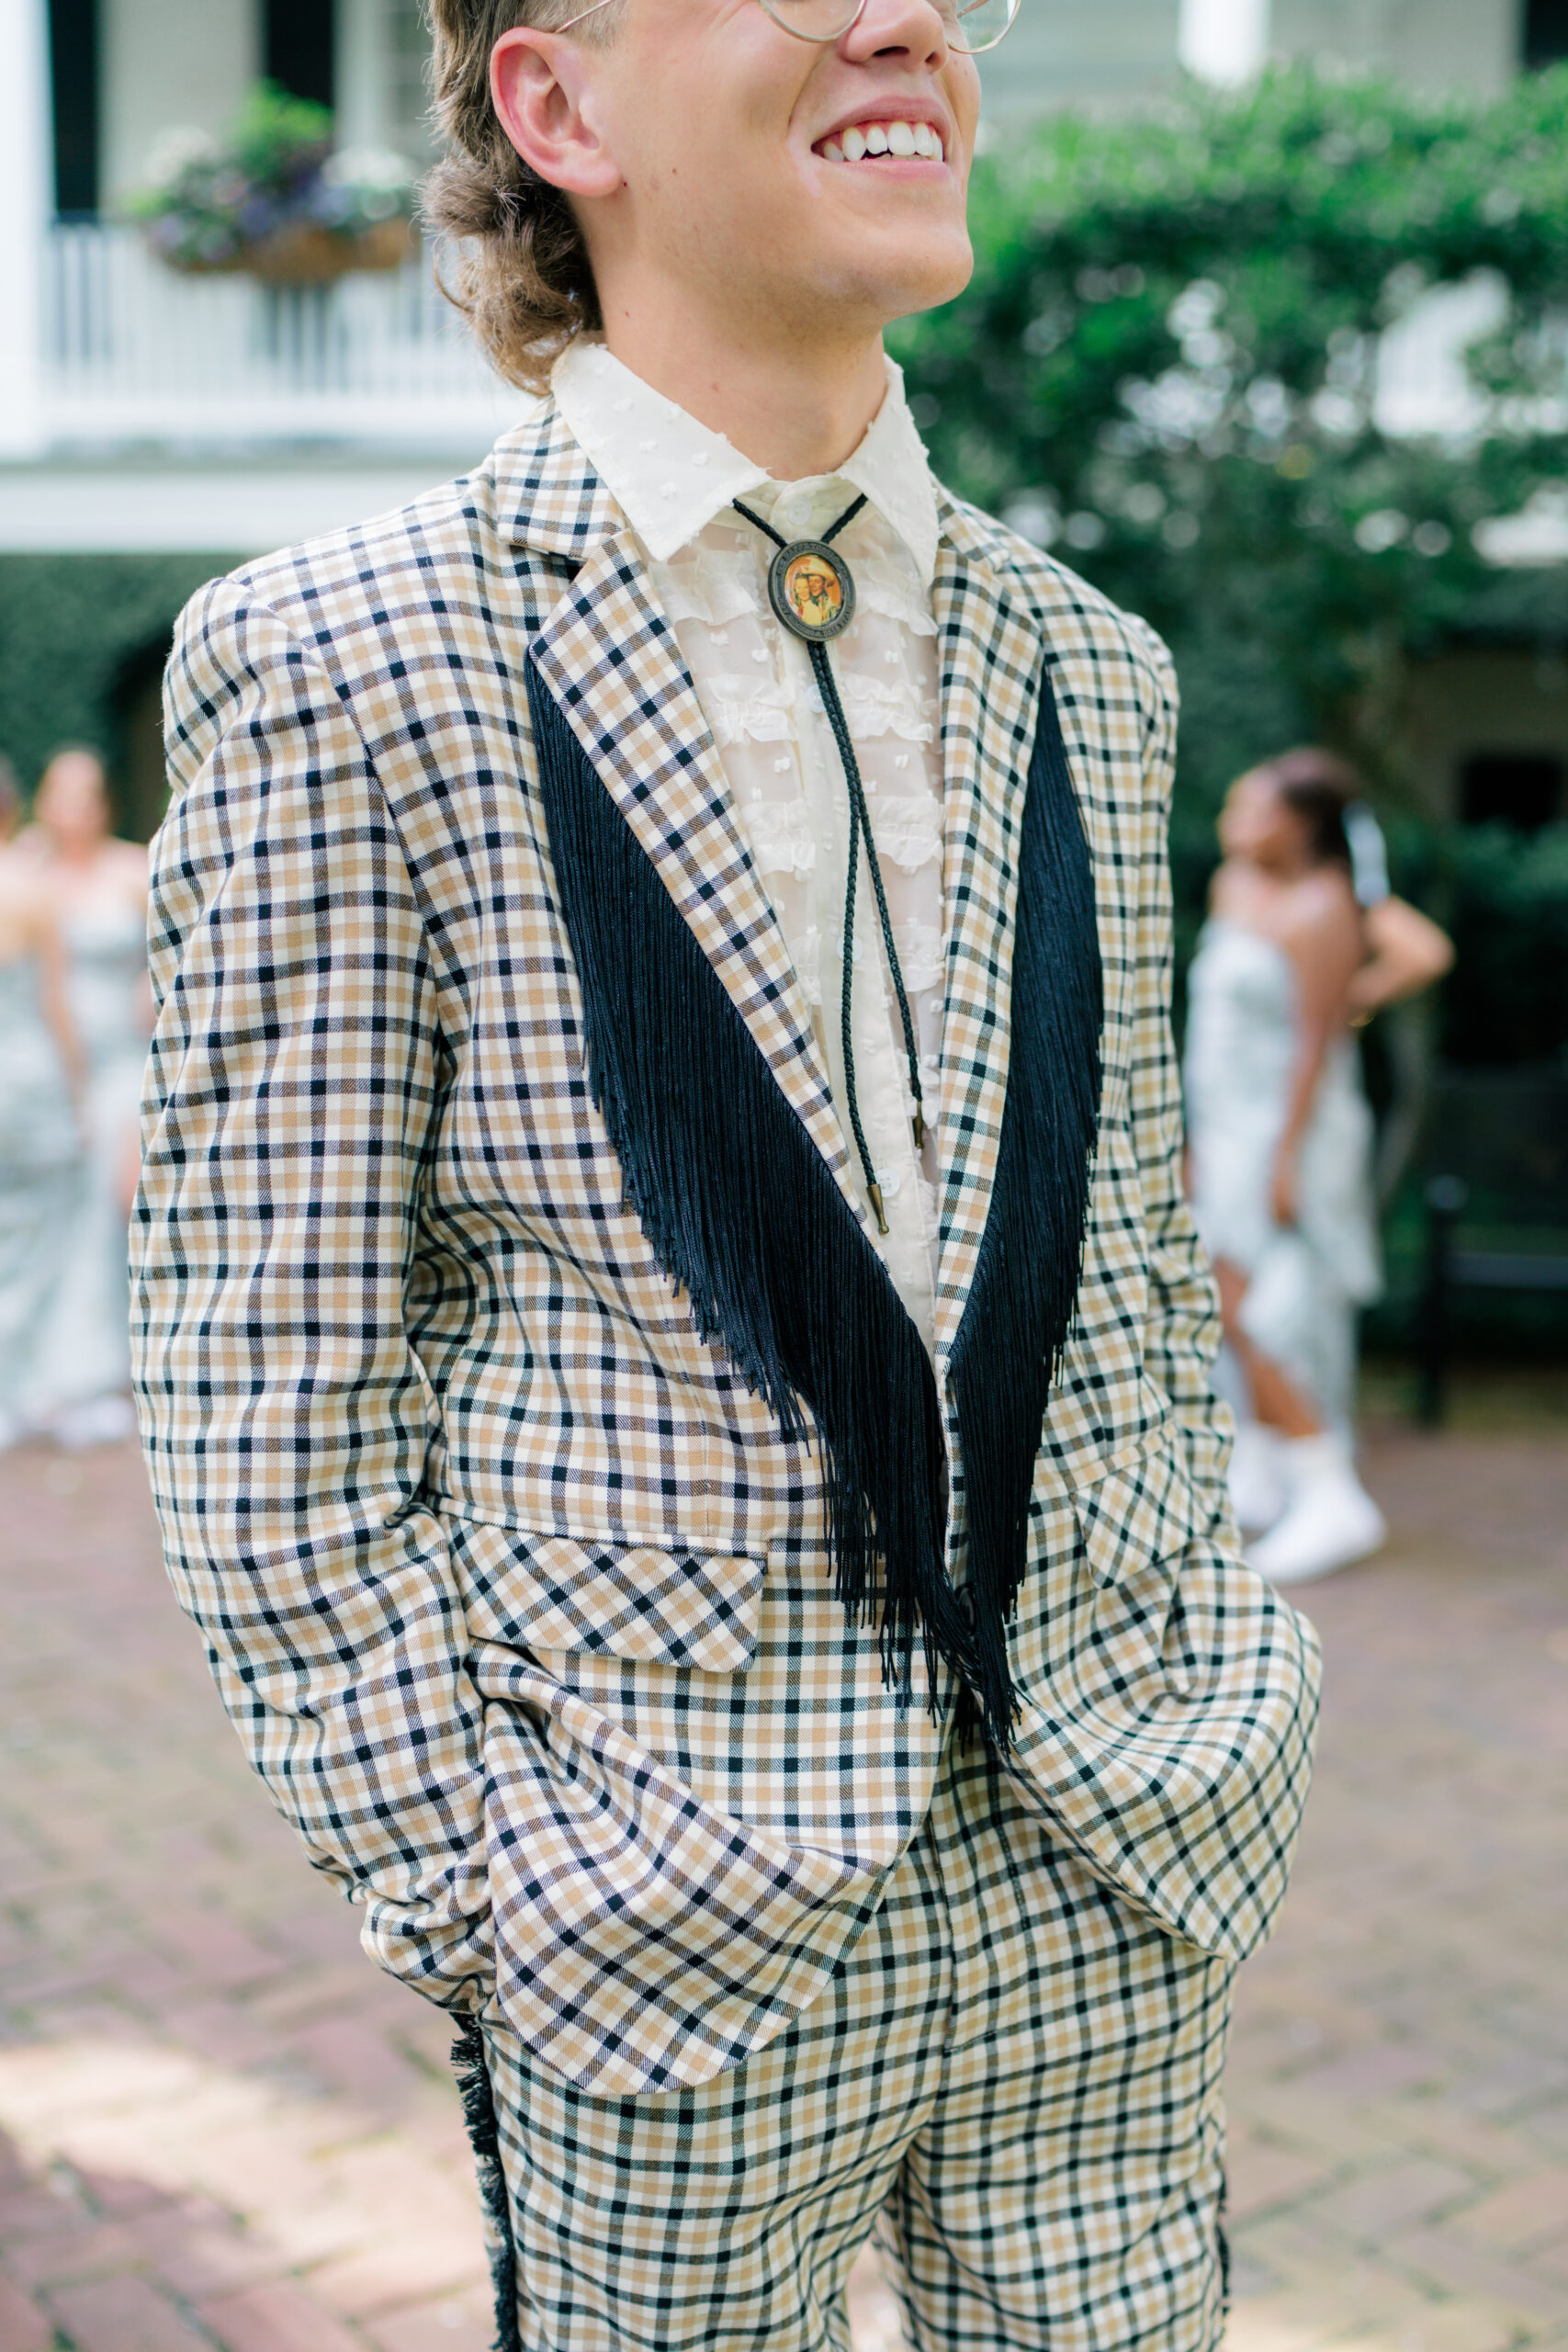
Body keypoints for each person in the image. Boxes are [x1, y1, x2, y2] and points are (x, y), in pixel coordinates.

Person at [130, 0, 1320, 2343]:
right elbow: (263, 1381)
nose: (907, 19)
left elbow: (1124, 1271)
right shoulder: (334, 660)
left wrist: (1213, 1672)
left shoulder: (1093, 663)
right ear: (555, 110)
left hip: (1111, 1841)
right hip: (650, 1908)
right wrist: (485, 1877)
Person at [1184, 749, 1453, 1588]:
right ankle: (1261, 1467)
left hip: (1285, 1126)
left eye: (1251, 806)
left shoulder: (1325, 905)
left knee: (1266, 1307)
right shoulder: (1233, 886)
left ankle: (1328, 1487)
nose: (1232, 818)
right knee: (1221, 1288)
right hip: (1223, 1121)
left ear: (1297, 822)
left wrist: (1284, 1155)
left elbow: (1313, 1041)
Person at [19, 749, 149, 1445]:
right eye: (61, 793)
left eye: (86, 795)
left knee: (115, 1198)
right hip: (55, 1065)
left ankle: (113, 1361)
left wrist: (149, 985)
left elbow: (180, 948)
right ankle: (62, 1366)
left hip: (123, 1064)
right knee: (66, 1217)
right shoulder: (28, 870)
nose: (74, 808)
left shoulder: (131, 870)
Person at [0, 809, 84, 1453]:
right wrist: (79, 1095)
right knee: (40, 1240)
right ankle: (23, 1386)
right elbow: (58, 1006)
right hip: (26, 1081)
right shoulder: (30, 889)